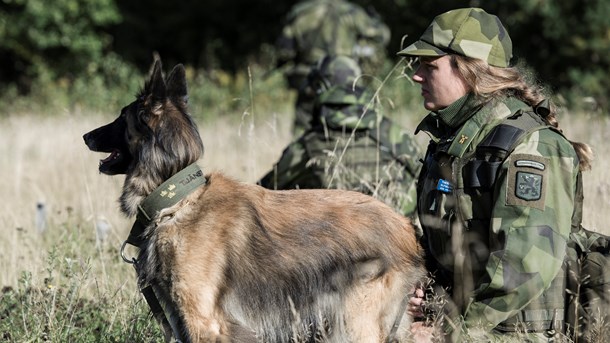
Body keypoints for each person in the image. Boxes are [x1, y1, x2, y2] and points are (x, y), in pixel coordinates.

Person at [397, 7, 593, 342]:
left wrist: (446, 332)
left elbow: (523, 270)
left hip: (516, 333)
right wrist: (425, 292)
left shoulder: (531, 147)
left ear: (470, 71)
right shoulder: (453, 140)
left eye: (429, 66)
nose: (416, 75)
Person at [259, 55, 421, 217]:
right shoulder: (397, 134)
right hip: (400, 234)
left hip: (337, 238)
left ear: (319, 88)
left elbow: (265, 192)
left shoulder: (309, 144)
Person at [275, 0, 390, 135]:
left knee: (303, 128)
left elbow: (284, 51)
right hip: (344, 76)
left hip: (308, 77)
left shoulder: (301, 12)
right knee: (345, 126)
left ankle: (301, 155)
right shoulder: (352, 12)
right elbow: (382, 36)